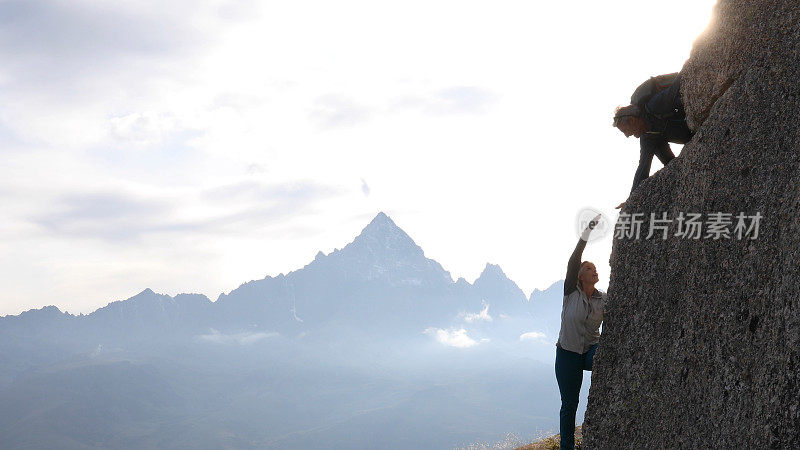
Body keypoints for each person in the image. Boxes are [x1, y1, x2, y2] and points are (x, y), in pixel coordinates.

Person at [555, 215, 606, 450]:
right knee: (569, 405)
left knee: (606, 358)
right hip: (567, 356)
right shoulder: (570, 292)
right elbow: (574, 259)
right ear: (579, 276)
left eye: (595, 268)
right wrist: (587, 232)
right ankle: (567, 447)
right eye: (588, 268)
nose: (593, 270)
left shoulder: (603, 299)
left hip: (589, 352)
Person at [613, 72, 695, 208]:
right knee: (669, 162)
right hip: (687, 135)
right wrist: (631, 200)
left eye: (625, 130)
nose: (627, 135)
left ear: (632, 120)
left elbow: (676, 87)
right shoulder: (647, 137)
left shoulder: (654, 106)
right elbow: (643, 167)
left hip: (689, 120)